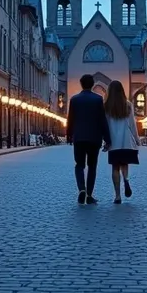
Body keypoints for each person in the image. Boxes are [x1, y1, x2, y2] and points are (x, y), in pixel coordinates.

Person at [66, 74, 111, 204]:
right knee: (92, 167)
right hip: (94, 138)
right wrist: (107, 139)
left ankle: (81, 189)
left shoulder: (75, 99)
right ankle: (89, 195)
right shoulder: (98, 99)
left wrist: (69, 135)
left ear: (81, 84)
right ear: (92, 85)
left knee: (79, 165)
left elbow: (71, 119)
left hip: (79, 138)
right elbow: (102, 120)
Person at [103, 80, 140, 204]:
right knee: (125, 164)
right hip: (126, 141)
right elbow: (132, 124)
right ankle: (126, 179)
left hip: (114, 142)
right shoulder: (128, 105)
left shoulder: (106, 106)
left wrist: (105, 140)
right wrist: (137, 138)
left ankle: (117, 195)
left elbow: (105, 125)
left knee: (115, 168)